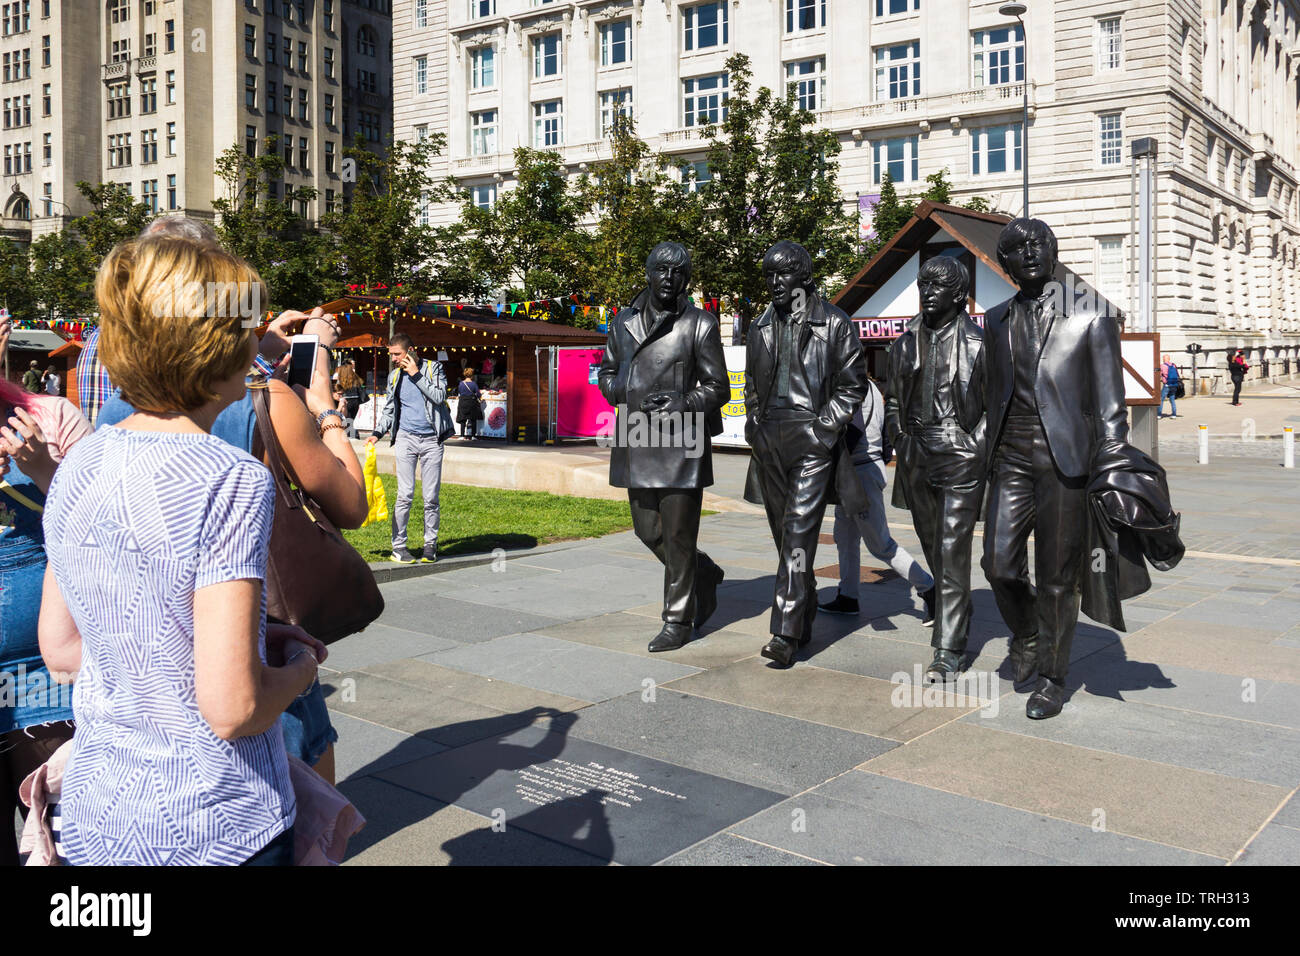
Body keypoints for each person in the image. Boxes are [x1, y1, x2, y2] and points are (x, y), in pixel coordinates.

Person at [39, 237, 327, 865]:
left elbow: (62, 650)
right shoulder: (228, 478)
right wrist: (300, 674)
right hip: (215, 822)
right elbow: (234, 708)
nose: (257, 345)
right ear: (216, 347)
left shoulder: (80, 458)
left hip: (98, 816)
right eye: (246, 331)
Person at [981, 218, 1128, 719]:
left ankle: (1052, 675)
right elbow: (989, 391)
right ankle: (1026, 633)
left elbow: (1111, 404)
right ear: (1004, 264)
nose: (1030, 253)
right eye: (1017, 249)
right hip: (1010, 457)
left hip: (1066, 461)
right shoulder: (996, 318)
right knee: (998, 564)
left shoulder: (1092, 314)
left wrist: (1112, 464)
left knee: (1058, 575)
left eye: (1038, 243)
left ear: (1053, 249)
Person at [597, 241, 729, 653]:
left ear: (686, 279)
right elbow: (606, 371)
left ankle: (677, 619)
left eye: (678, 272)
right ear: (649, 274)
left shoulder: (700, 324)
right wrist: (624, 389)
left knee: (677, 534)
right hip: (636, 434)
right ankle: (702, 572)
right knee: (647, 529)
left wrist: (684, 401)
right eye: (661, 270)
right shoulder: (622, 322)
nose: (669, 279)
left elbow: (718, 386)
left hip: (682, 438)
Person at [742, 240, 868, 667]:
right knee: (784, 538)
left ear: (805, 277)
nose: (775, 283)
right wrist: (754, 424)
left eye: (783, 274)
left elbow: (853, 385)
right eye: (770, 275)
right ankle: (804, 606)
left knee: (798, 533)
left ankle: (785, 631)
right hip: (769, 439)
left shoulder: (833, 323)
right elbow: (752, 385)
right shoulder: (759, 325)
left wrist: (823, 429)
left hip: (811, 439)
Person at [0, 313, 92, 867]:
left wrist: (46, 473)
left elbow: (105, 532)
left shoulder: (53, 416)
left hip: (46, 678)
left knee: (71, 853)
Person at [884, 258, 987, 682]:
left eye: (938, 287)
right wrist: (899, 437)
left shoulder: (981, 343)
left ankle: (948, 648)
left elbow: (996, 406)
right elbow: (892, 399)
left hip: (959, 454)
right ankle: (956, 606)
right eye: (923, 285)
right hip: (916, 451)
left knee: (951, 548)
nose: (927, 293)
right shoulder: (905, 341)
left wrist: (974, 447)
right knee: (934, 549)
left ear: (959, 296)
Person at [820, 376, 936, 622]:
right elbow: (883, 437)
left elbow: (851, 430)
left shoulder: (853, 385)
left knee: (880, 544)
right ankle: (848, 597)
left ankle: (929, 588)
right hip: (859, 470)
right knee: (845, 537)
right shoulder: (871, 385)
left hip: (858, 472)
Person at [366, 332, 453, 564]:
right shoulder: (394, 377)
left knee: (431, 498)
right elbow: (389, 410)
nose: (393, 358)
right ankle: (399, 547)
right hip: (406, 438)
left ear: (411, 351)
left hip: (432, 440)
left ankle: (430, 545)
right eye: (391, 354)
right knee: (404, 495)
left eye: (397, 354)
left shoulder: (434, 369)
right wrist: (377, 433)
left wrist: (415, 375)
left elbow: (439, 396)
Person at [456, 366, 483, 440]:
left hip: (462, 402)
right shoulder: (474, 384)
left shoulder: (461, 383)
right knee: (473, 419)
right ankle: (473, 436)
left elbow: (459, 392)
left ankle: (461, 435)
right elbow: (478, 394)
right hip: (471, 402)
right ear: (472, 375)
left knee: (463, 419)